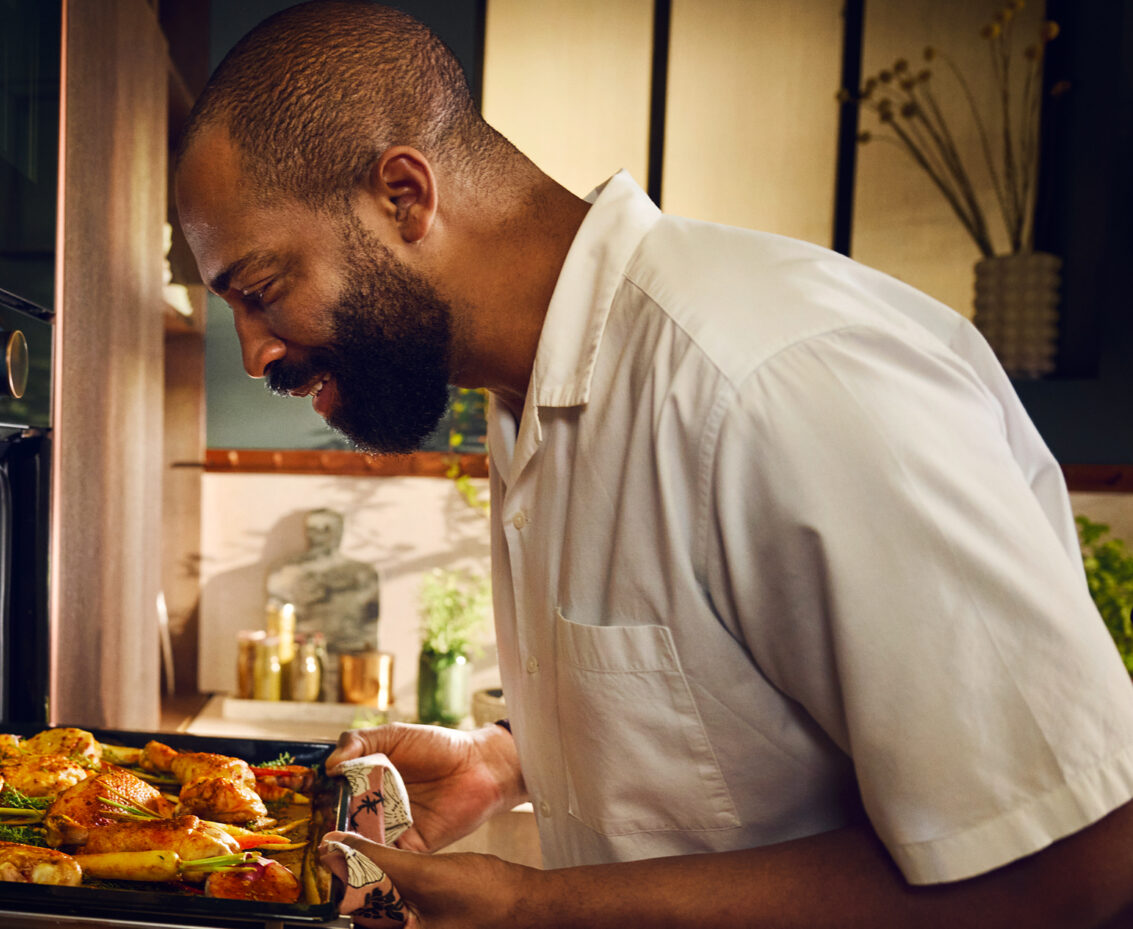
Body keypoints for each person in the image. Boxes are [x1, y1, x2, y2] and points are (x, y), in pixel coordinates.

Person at [173, 2, 1133, 926]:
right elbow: (745, 724)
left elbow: (1078, 862)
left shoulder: (775, 376)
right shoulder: (528, 402)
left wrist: (538, 909)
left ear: (403, 196)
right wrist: (509, 760)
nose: (254, 353)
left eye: (260, 288)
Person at [265, 508, 381, 661]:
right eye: (312, 528)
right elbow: (278, 623)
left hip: (349, 659)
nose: (318, 535)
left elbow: (370, 628)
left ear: (339, 532)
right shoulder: (284, 572)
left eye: (326, 529)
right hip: (300, 658)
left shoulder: (363, 574)